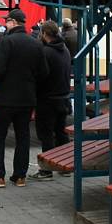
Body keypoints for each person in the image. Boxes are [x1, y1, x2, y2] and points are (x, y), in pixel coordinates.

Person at [0, 8, 49, 189]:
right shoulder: (36, 43)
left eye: (7, 21)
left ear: (13, 22)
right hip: (26, 98)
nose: (5, 24)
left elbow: (0, 69)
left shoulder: (7, 41)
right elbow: (44, 71)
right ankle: (20, 176)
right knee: (23, 136)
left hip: (5, 98)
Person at [29, 20, 70, 181]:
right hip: (63, 97)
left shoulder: (45, 52)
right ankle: (65, 166)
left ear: (45, 34)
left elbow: (40, 76)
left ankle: (46, 170)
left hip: (47, 99)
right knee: (61, 133)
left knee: (46, 135)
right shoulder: (65, 49)